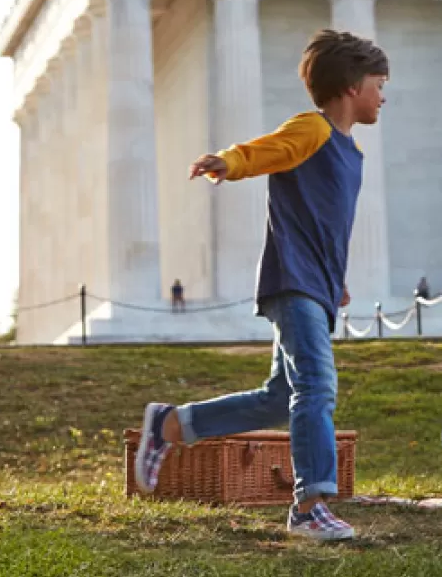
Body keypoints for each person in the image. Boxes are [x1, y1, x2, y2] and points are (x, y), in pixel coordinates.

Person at [131, 29, 389, 540]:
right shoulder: (312, 129)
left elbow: (328, 224)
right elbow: (270, 150)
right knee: (317, 385)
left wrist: (336, 281)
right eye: (380, 84)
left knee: (279, 397)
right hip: (291, 281)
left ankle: (170, 425)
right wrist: (229, 162)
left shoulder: (350, 152)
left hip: (314, 284)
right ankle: (309, 504)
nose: (384, 95)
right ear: (351, 86)